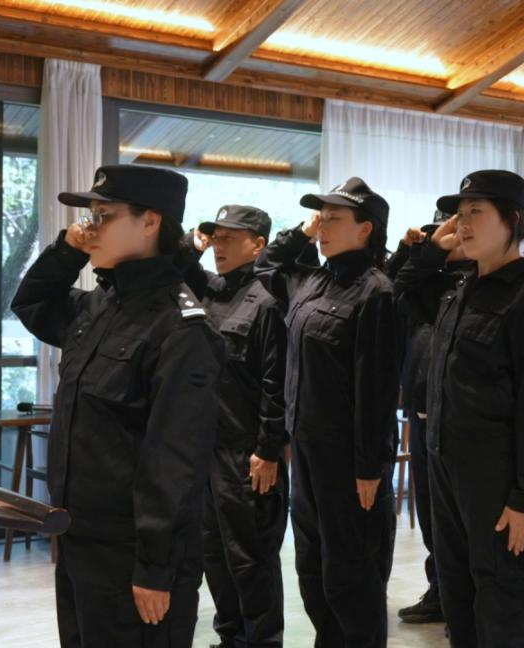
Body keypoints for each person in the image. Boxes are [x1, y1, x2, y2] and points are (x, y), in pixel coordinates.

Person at [11, 165, 222, 647]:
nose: (90, 227)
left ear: (150, 222)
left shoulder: (182, 328)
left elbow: (175, 463)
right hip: (78, 536)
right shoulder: (99, 306)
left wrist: (155, 567)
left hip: (133, 553)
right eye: (90, 215)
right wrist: (67, 251)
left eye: (103, 216)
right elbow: (31, 304)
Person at [396, 170, 524, 647]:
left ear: (512, 219)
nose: (464, 224)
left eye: (476, 212)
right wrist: (432, 251)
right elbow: (404, 292)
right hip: (447, 472)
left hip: (500, 482)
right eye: (460, 214)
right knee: (459, 605)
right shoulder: (460, 289)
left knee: (505, 611)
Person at [255, 177, 399, 648]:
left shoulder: (376, 292)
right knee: (313, 570)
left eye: (335, 218)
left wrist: (369, 466)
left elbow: (376, 389)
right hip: (306, 454)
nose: (323, 226)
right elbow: (265, 266)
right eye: (321, 217)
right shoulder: (312, 280)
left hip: (348, 461)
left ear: (366, 229)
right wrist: (302, 231)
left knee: (352, 576)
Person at [181, 205, 289, 648]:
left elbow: (276, 384)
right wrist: (193, 245)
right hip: (206, 449)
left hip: (247, 454)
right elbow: (174, 267)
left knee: (251, 558)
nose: (219, 246)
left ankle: (262, 641)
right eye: (216, 237)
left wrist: (268, 449)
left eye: (230, 238)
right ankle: (231, 638)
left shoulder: (267, 302)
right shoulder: (208, 291)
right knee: (214, 554)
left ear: (258, 244)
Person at [386, 210, 464, 626]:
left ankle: (462, 600)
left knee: (460, 519)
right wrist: (418, 251)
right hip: (420, 412)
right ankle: (442, 590)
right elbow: (392, 286)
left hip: (460, 420)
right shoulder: (426, 283)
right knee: (432, 514)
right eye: (439, 234)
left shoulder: (476, 282)